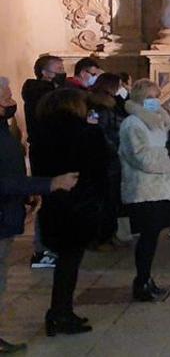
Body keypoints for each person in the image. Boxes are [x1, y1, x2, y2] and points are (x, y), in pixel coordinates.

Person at [0, 79, 77, 351]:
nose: (10, 102)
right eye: (6, 97)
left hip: (7, 213)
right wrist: (48, 184)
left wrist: (27, 190)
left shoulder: (3, 129)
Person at [28, 88, 110, 335]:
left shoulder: (41, 133)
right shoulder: (84, 132)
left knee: (66, 261)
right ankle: (60, 313)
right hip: (79, 203)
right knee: (69, 263)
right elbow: (100, 166)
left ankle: (61, 311)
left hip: (54, 202)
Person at [118, 80, 170, 302]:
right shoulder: (132, 124)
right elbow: (140, 157)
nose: (154, 102)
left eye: (156, 97)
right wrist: (167, 154)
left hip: (162, 187)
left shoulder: (159, 122)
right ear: (139, 99)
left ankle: (147, 278)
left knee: (153, 238)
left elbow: (167, 151)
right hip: (144, 189)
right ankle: (141, 281)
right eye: (149, 98)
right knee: (146, 239)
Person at [21, 55, 65, 270]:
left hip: (50, 151)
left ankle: (51, 245)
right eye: (58, 67)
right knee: (48, 200)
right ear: (45, 72)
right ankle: (43, 249)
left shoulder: (49, 92)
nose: (63, 70)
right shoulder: (42, 94)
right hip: (46, 153)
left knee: (55, 201)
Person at [87, 73, 127, 248]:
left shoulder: (113, 104)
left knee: (113, 199)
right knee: (105, 200)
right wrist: (114, 150)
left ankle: (110, 233)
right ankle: (100, 237)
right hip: (106, 158)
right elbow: (101, 133)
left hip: (114, 156)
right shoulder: (99, 106)